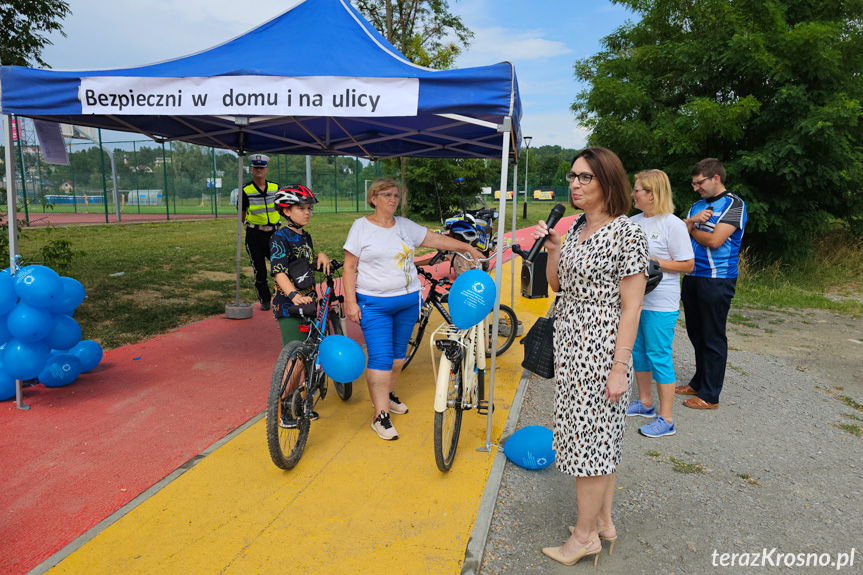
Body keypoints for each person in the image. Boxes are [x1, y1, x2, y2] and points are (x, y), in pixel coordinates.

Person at [532, 148, 648, 566]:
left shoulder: (626, 233)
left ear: (607, 183)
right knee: (600, 442)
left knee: (589, 446)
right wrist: (553, 248)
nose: (575, 184)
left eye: (585, 178)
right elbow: (556, 285)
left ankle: (583, 538)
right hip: (570, 342)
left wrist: (620, 368)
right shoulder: (578, 224)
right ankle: (602, 523)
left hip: (600, 349)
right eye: (573, 176)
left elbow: (632, 306)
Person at [343, 178, 484, 441]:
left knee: (398, 358)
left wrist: (466, 247)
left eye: (396, 195)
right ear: (373, 198)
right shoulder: (361, 227)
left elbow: (436, 240)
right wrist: (350, 302)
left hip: (407, 301)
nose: (393, 199)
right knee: (381, 359)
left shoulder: (405, 226)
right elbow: (349, 267)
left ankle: (387, 395)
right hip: (374, 303)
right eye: (386, 194)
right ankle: (380, 415)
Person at [627, 170, 694, 437]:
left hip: (660, 303)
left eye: (637, 190)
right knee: (639, 354)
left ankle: (666, 420)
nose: (633, 194)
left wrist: (654, 263)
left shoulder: (673, 224)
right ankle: (645, 403)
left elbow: (688, 264)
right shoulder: (632, 222)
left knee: (659, 357)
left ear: (652, 194)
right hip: (634, 301)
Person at [676, 158, 747, 410]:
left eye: (700, 183)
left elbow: (715, 240)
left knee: (713, 336)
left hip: (718, 279)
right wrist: (690, 222)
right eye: (694, 184)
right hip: (693, 275)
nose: (696, 188)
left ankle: (710, 396)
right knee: (696, 333)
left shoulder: (734, 204)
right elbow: (678, 233)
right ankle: (698, 382)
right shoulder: (696, 205)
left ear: (715, 178)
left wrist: (691, 226)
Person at [269, 184, 330, 427]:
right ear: (286, 211)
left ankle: (301, 401)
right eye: (301, 208)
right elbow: (279, 271)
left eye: (309, 208)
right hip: (290, 305)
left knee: (308, 353)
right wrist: (293, 295)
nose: (307, 212)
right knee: (295, 357)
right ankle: (285, 406)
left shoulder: (304, 236)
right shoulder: (279, 237)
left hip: (308, 302)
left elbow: (302, 263)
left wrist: (320, 256)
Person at [240, 154, 280, 311]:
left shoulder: (275, 188)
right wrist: (250, 226)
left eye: (262, 167)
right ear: (251, 169)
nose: (259, 170)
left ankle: (282, 295)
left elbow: (283, 206)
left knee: (279, 266)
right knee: (260, 269)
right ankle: (264, 299)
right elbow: (241, 213)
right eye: (256, 167)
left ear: (266, 169)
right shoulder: (246, 189)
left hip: (274, 234)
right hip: (255, 235)